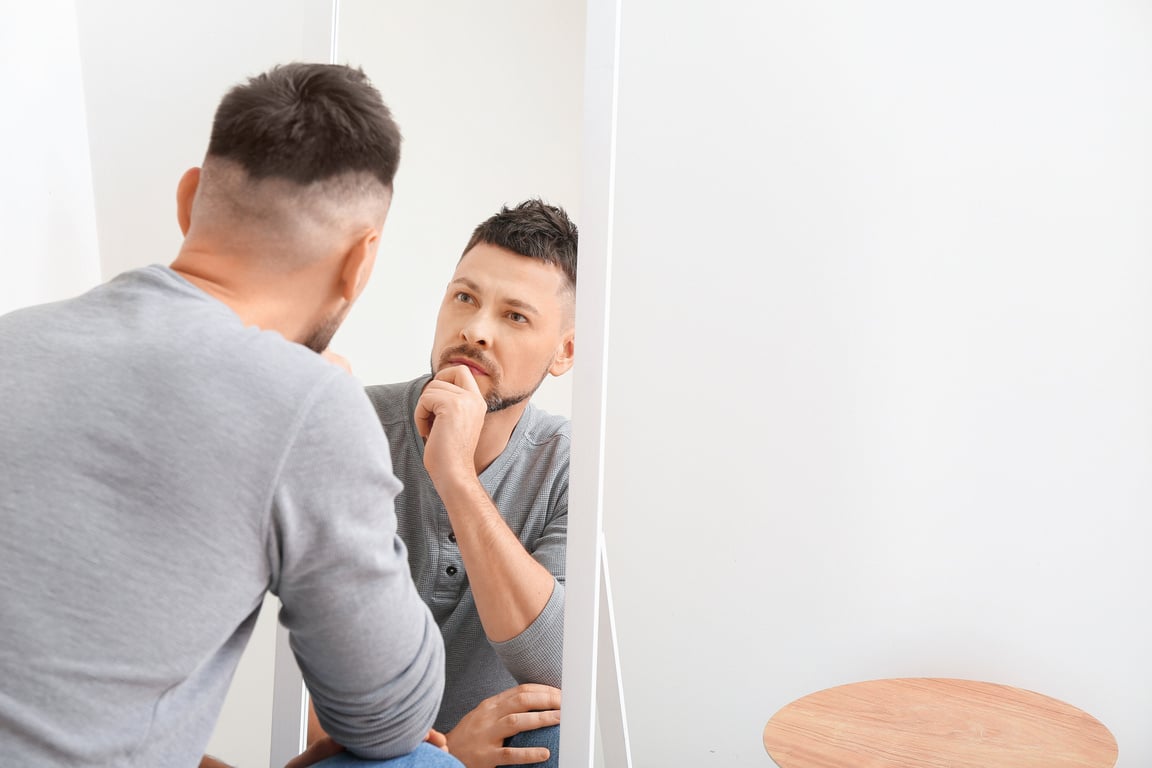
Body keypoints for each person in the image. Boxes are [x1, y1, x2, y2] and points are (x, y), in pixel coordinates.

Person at [0, 63, 459, 768]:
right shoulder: (306, 402)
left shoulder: (12, 338)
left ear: (188, 199)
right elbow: (391, 718)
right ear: (360, 263)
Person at [307, 200, 577, 768]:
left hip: (488, 750)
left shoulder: (567, 463)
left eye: (515, 316)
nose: (475, 330)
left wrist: (456, 478)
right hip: (371, 756)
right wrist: (449, 755)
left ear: (564, 352)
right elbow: (298, 675)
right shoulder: (354, 424)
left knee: (550, 738)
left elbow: (560, 663)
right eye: (465, 298)